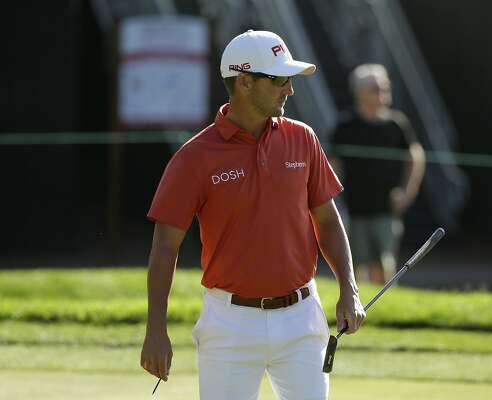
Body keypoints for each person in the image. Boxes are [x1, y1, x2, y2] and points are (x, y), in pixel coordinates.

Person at [140, 30, 365, 400]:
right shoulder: (195, 157)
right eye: (279, 79)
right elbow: (165, 247)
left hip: (302, 317)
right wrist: (155, 330)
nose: (289, 89)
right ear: (244, 82)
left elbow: (327, 219)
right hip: (230, 324)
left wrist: (348, 289)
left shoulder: (303, 138)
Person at [331, 64, 426, 285]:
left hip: (386, 210)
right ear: (360, 92)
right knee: (355, 265)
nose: (383, 91)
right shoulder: (346, 126)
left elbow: (415, 156)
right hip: (354, 209)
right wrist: (335, 200)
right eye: (376, 87)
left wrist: (406, 192)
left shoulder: (396, 124)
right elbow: (333, 164)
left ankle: (383, 309)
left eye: (385, 86)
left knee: (384, 263)